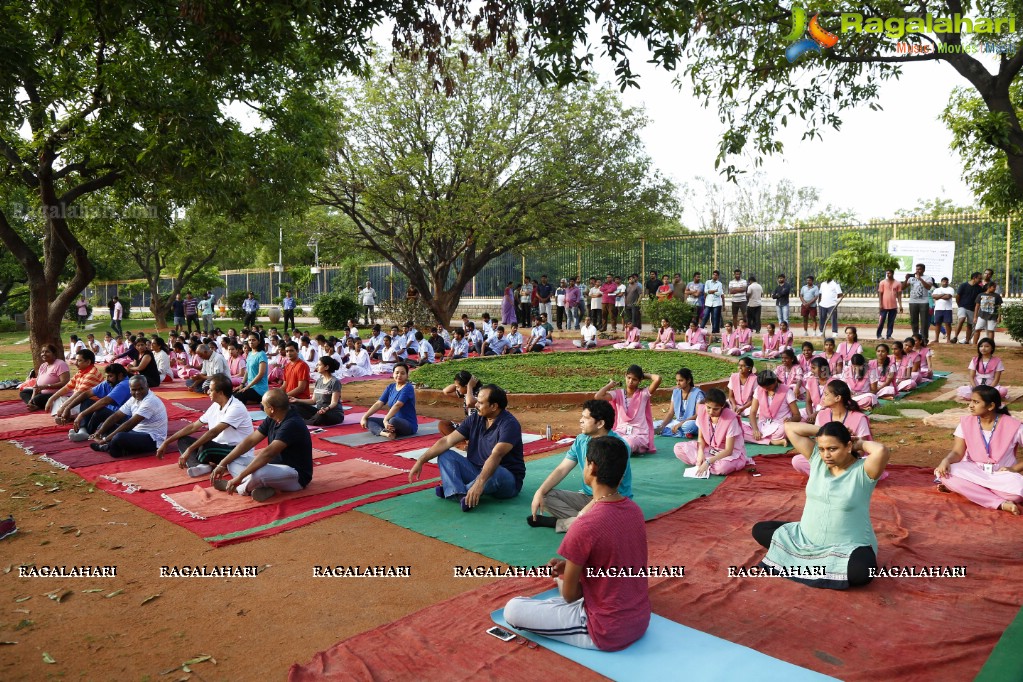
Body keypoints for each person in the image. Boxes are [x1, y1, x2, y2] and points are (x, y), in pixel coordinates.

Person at [505, 436, 650, 652]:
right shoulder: (635, 511)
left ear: (591, 468)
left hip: (605, 629)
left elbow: (571, 595)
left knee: (513, 608)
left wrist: (568, 576)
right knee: (550, 604)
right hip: (640, 619)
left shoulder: (584, 525)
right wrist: (574, 568)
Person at [753, 421, 890, 589]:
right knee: (759, 530)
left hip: (846, 547)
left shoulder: (864, 470)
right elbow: (790, 428)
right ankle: (811, 557)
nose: (826, 455)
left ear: (848, 446)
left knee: (862, 572)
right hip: (805, 539)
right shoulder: (817, 460)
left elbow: (881, 450)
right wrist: (826, 433)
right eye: (822, 448)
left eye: (833, 448)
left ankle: (800, 559)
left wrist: (859, 442)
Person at [410, 384, 524, 511]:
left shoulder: (510, 424)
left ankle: (456, 491)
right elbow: (447, 440)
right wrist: (421, 460)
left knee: (496, 471)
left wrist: (479, 483)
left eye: (480, 403)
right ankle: (461, 494)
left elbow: (496, 455)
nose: (475, 405)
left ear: (494, 406)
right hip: (476, 470)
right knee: (445, 455)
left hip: (506, 480)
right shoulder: (476, 417)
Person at [527, 400, 633, 531]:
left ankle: (567, 524)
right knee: (545, 496)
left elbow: (612, 490)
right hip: (588, 496)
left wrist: (583, 513)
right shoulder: (581, 439)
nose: (580, 421)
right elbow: (562, 469)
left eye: (586, 418)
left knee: (606, 522)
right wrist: (540, 491)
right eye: (581, 416)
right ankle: (582, 523)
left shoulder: (617, 446)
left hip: (611, 500)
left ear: (600, 423)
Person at [211, 388, 313, 502]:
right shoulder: (274, 418)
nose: (261, 407)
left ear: (271, 409)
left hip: (295, 475)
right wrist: (222, 463)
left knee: (258, 472)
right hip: (274, 467)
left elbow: (267, 454)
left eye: (263, 405)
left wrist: (240, 477)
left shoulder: (292, 424)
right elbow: (249, 441)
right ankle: (264, 487)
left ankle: (239, 488)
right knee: (233, 460)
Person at [935, 385, 1023, 515]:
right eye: (971, 401)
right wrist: (946, 460)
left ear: (991, 406)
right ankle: (999, 503)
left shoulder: (1014, 426)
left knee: (1016, 494)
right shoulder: (965, 423)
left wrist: (1014, 469)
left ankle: (968, 489)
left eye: (976, 402)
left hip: (1002, 475)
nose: (970, 405)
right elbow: (957, 453)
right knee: (944, 474)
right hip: (974, 471)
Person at [157, 373, 254, 477]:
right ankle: (200, 465)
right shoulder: (216, 405)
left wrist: (190, 450)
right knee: (183, 440)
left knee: (204, 445)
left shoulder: (236, 408)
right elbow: (193, 426)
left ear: (220, 393)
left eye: (211, 390)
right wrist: (167, 442)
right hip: (217, 445)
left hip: (236, 450)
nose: (208, 392)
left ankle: (202, 462)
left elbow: (213, 432)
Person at [791, 380, 872, 475]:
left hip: (849, 459)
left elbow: (861, 451)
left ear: (838, 398)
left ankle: (831, 476)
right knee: (798, 461)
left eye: (826, 394)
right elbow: (818, 443)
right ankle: (834, 476)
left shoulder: (859, 417)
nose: (823, 398)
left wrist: (843, 455)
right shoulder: (821, 415)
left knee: (867, 465)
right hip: (827, 458)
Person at [674, 388, 749, 475]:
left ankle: (704, 464)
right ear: (705, 403)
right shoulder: (702, 412)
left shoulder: (730, 419)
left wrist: (708, 462)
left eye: (715, 409)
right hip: (709, 449)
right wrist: (700, 453)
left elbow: (729, 450)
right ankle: (702, 462)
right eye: (708, 407)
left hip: (727, 453)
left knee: (722, 467)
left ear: (722, 406)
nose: (711, 412)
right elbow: (701, 438)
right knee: (678, 448)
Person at [89, 376, 168, 458]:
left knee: (119, 437)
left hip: (153, 439)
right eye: (134, 390)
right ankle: (113, 446)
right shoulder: (134, 399)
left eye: (141, 389)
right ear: (130, 389)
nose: (137, 392)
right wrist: (99, 432)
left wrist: (105, 440)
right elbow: (117, 415)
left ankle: (107, 447)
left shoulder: (150, 401)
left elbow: (130, 424)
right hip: (135, 431)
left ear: (147, 386)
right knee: (106, 423)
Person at [594, 365, 661, 454]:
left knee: (629, 443)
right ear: (625, 376)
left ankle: (616, 449)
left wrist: (643, 375)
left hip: (638, 435)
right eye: (628, 378)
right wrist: (610, 385)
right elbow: (598, 396)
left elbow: (658, 379)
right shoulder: (618, 394)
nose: (630, 381)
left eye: (634, 379)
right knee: (601, 439)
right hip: (620, 433)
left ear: (640, 381)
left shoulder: (643, 394)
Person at [68, 364, 132, 441]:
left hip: (124, 418)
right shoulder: (109, 383)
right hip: (112, 416)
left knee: (101, 410)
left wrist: (82, 414)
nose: (107, 379)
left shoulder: (125, 384)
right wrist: (67, 408)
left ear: (120, 375)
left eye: (110, 376)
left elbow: (105, 401)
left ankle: (87, 432)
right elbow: (86, 394)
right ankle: (83, 430)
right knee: (87, 401)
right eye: (107, 376)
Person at [45, 349, 104, 425]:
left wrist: (63, 407)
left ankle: (65, 416)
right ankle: (62, 415)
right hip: (79, 401)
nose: (75, 363)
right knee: (59, 398)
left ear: (88, 362)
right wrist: (51, 399)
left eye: (79, 361)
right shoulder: (81, 372)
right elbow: (67, 387)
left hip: (90, 404)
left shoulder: (91, 374)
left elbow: (79, 394)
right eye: (76, 360)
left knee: (71, 403)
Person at [360, 363, 418, 439]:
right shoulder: (390, 387)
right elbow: (379, 403)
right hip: (390, 421)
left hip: (407, 425)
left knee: (393, 421)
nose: (399, 375)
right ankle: (384, 433)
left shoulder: (408, 388)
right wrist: (364, 417)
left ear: (407, 375)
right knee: (368, 420)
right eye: (397, 373)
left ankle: (388, 430)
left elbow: (398, 405)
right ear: (393, 374)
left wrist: (385, 420)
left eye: (402, 373)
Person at [743, 370, 799, 445]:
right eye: (764, 387)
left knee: (784, 429)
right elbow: (753, 412)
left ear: (775, 380)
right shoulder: (759, 390)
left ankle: (768, 439)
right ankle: (773, 441)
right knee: (739, 428)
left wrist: (790, 419)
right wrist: (755, 430)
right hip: (762, 425)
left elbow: (797, 416)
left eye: (768, 387)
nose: (765, 389)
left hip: (780, 426)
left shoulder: (787, 392)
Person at [291, 357, 345, 426]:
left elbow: (334, 402)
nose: (317, 367)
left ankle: (305, 422)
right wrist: (297, 400)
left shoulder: (335, 382)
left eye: (319, 365)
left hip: (333, 414)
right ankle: (311, 420)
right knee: (295, 406)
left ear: (326, 367)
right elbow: (313, 401)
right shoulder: (319, 381)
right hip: (319, 411)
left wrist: (326, 409)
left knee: (320, 416)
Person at [660, 368, 705, 438]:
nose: (678, 383)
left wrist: (681, 423)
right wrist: (662, 425)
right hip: (677, 422)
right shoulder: (676, 392)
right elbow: (670, 413)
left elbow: (698, 415)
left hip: (691, 422)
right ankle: (682, 433)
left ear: (689, 380)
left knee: (688, 426)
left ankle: (677, 432)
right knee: (655, 425)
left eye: (681, 380)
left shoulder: (698, 394)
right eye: (677, 380)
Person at [233, 334, 268, 405]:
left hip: (259, 389)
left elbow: (261, 374)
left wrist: (247, 387)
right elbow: (247, 371)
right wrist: (242, 385)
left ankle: (259, 400)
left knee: (235, 398)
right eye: (249, 340)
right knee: (230, 395)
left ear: (259, 341)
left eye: (253, 340)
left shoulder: (261, 355)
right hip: (250, 387)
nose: (251, 342)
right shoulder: (250, 354)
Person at [903, 264, 934, 338]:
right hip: (913, 302)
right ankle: (915, 337)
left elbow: (928, 287)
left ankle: (924, 338)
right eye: (917, 269)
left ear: (923, 270)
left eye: (919, 269)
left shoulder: (928, 278)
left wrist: (920, 278)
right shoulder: (911, 278)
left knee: (924, 321)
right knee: (914, 321)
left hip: (924, 302)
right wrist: (906, 279)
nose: (917, 271)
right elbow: (902, 288)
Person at [952, 272, 983, 344]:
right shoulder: (964, 285)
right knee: (962, 319)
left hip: (972, 308)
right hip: (962, 306)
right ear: (974, 278)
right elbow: (958, 296)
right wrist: (959, 305)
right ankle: (955, 337)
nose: (981, 280)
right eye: (979, 278)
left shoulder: (979, 288)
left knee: (970, 325)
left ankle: (967, 340)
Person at [972, 280, 1003, 345]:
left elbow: (999, 307)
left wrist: (999, 316)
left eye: (995, 287)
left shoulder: (997, 296)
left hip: (993, 316)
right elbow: (977, 306)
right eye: (993, 287)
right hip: (981, 315)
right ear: (989, 287)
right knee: (977, 329)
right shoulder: (980, 295)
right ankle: (974, 344)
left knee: (991, 331)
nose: (995, 289)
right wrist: (975, 317)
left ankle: (990, 345)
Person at [876, 269, 903, 340]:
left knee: (891, 322)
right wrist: (880, 304)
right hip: (884, 306)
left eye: (889, 273)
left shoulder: (898, 283)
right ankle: (879, 335)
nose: (888, 275)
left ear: (893, 273)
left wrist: (900, 305)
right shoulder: (882, 282)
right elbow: (880, 294)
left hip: (893, 306)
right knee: (881, 321)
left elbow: (899, 295)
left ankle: (889, 335)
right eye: (887, 273)